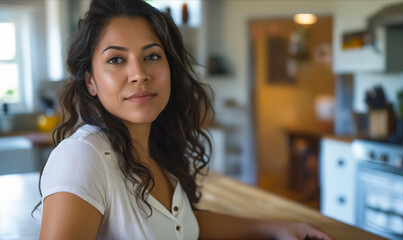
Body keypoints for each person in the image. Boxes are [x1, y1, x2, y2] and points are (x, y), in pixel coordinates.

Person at [37, 0, 332, 239]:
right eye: (116, 59)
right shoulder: (83, 156)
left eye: (152, 56)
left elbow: (182, 227)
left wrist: (279, 229)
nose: (139, 73)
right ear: (90, 81)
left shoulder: (158, 150)